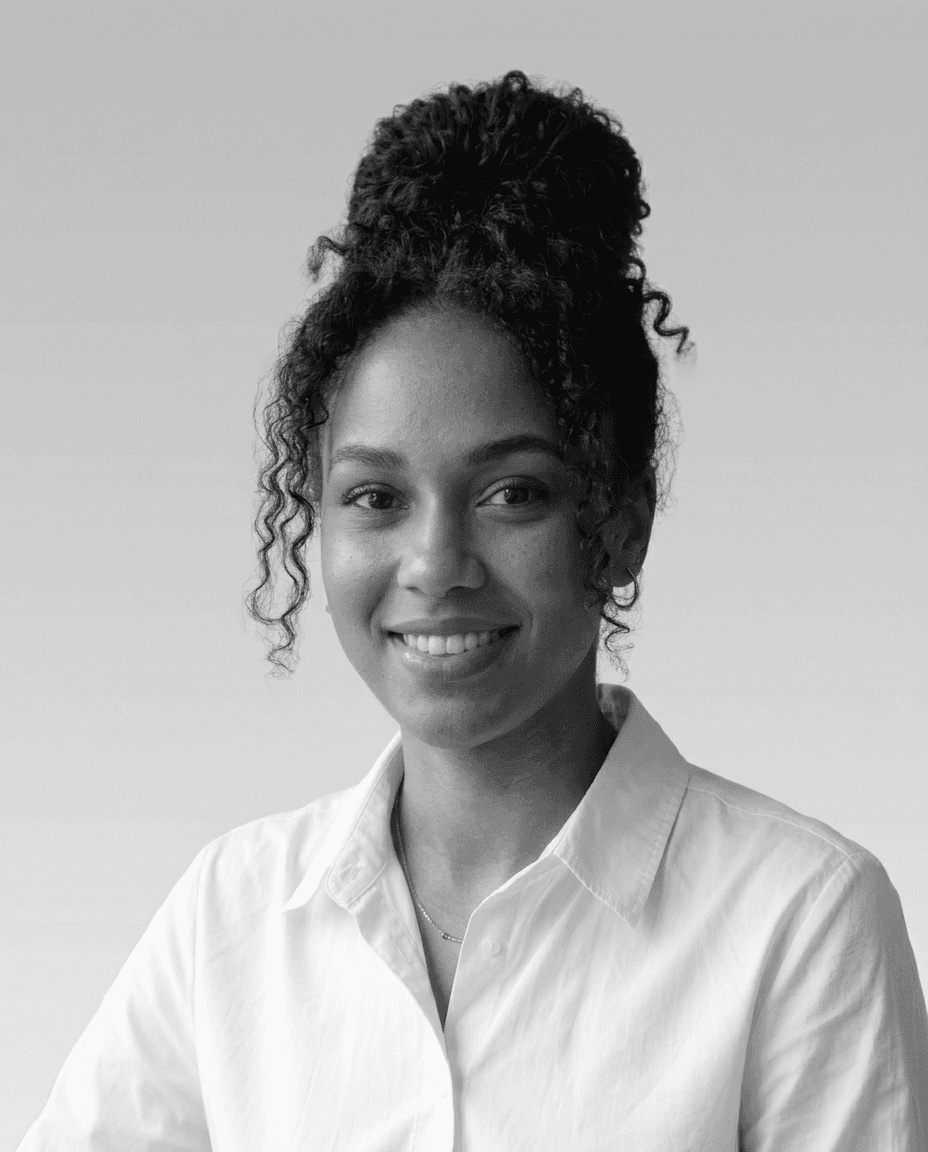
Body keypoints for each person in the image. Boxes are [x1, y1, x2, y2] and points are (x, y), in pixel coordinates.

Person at [17, 69, 927, 1151]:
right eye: (375, 497)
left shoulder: (799, 920)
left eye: (513, 493)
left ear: (623, 518)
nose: (435, 562)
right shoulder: (235, 915)